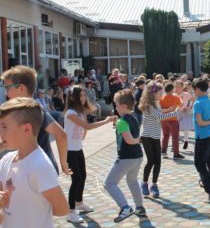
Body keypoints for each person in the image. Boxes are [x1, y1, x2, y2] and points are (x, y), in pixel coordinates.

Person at [0, 97, 69, 227]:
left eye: (4, 127)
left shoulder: (39, 166)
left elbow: (62, 208)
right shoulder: (6, 160)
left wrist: (34, 212)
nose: (0, 132)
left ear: (26, 129)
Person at [1, 66, 69, 175]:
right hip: (27, 168)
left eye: (8, 88)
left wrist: (64, 163)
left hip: (41, 169)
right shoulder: (17, 110)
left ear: (21, 88)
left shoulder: (35, 109)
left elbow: (61, 134)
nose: (6, 93)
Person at [64, 85, 115, 223]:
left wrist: (83, 133)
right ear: (73, 97)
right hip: (69, 151)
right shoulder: (70, 113)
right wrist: (106, 121)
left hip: (78, 148)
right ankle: (71, 211)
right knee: (76, 180)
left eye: (84, 95)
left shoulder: (81, 111)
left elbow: (84, 129)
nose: (83, 97)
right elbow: (87, 126)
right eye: (80, 95)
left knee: (83, 176)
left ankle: (79, 203)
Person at [103, 89, 146, 223]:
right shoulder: (133, 117)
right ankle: (140, 207)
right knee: (132, 181)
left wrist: (137, 139)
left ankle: (125, 207)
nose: (115, 107)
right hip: (138, 157)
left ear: (123, 106)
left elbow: (128, 139)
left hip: (126, 158)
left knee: (109, 183)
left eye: (116, 104)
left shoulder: (122, 122)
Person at [139, 81, 179, 198]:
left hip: (156, 136)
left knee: (158, 162)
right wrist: (174, 113)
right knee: (151, 160)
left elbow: (161, 112)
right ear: (153, 93)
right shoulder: (149, 105)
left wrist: (172, 108)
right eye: (160, 92)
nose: (161, 95)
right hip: (147, 136)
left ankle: (154, 185)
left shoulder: (157, 105)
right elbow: (160, 117)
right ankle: (144, 183)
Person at [192, 78, 210, 202]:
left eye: (194, 90)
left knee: (199, 164)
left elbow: (200, 122)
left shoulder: (198, 103)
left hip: (202, 137)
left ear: (198, 89)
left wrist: (209, 121)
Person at [160, 82, 185, 159]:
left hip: (164, 119)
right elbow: (181, 105)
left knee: (165, 135)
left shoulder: (162, 97)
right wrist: (180, 98)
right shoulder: (176, 97)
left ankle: (163, 151)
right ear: (172, 89)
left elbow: (161, 108)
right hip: (172, 119)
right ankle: (176, 153)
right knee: (175, 136)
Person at [175, 80, 194, 150]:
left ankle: (186, 140)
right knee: (176, 127)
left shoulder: (186, 94)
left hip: (185, 112)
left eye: (179, 86)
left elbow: (192, 100)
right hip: (177, 112)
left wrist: (189, 107)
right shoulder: (174, 94)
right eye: (176, 86)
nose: (177, 88)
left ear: (182, 87)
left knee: (186, 127)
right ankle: (176, 142)